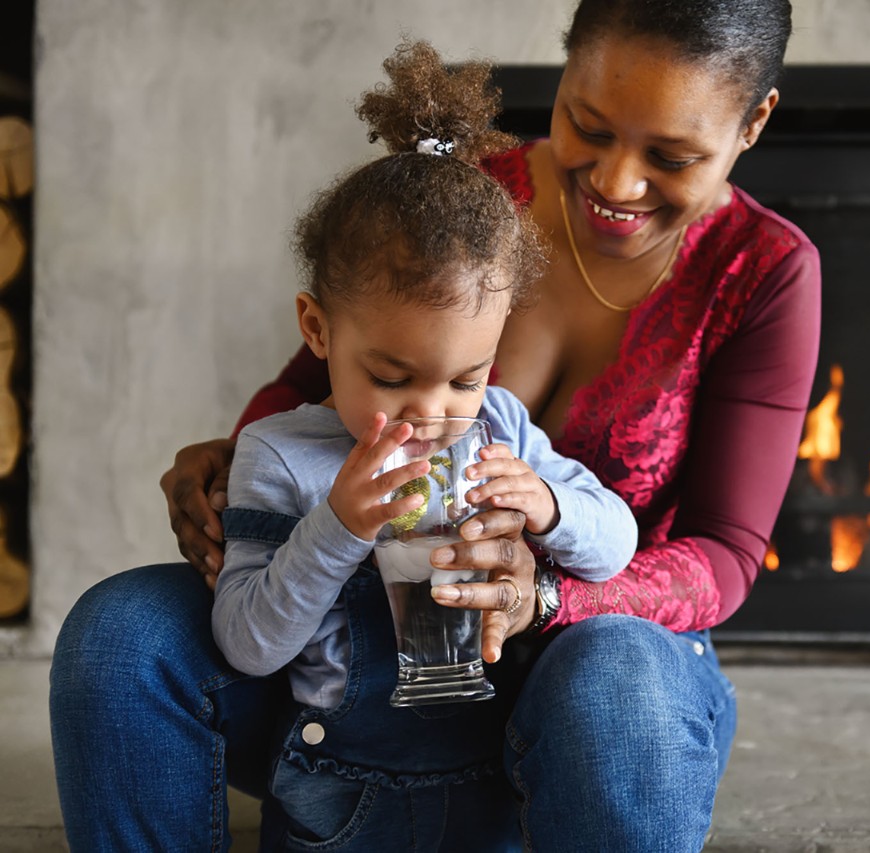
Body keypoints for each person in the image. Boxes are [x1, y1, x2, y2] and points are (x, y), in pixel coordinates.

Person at [49, 0, 821, 849]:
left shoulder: (765, 272)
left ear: (754, 122)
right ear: (563, 74)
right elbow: (316, 385)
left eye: (671, 156)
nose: (615, 182)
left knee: (613, 675)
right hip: (350, 660)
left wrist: (547, 596)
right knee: (120, 634)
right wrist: (234, 465)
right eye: (587, 127)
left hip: (590, 671)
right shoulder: (465, 191)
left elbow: (724, 555)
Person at [207, 42, 637, 848]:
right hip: (335, 801)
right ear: (318, 329)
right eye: (393, 375)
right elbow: (246, 644)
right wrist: (334, 527)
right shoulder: (277, 455)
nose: (435, 413)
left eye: (465, 377)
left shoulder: (500, 427)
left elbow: (618, 545)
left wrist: (547, 507)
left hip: (494, 786)